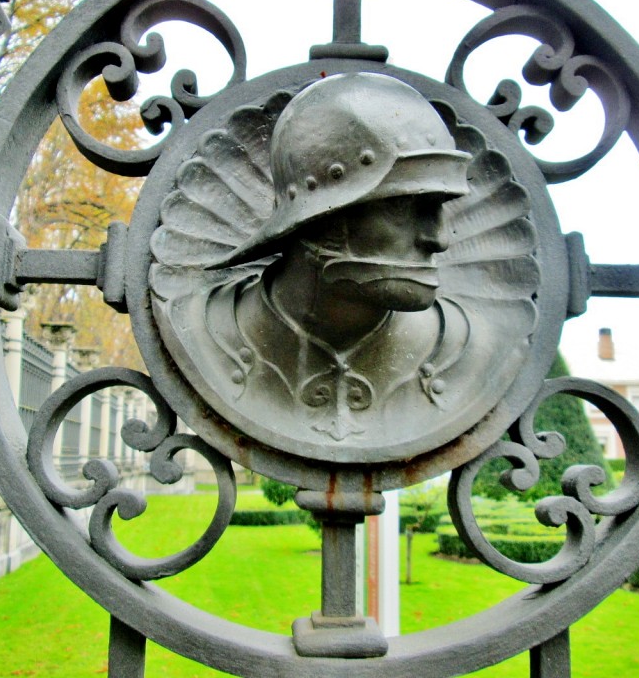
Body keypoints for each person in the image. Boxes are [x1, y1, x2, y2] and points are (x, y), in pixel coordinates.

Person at [155, 73, 479, 451]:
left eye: (440, 206)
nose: (439, 239)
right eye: (402, 207)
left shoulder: (462, 348)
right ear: (316, 219)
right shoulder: (202, 328)